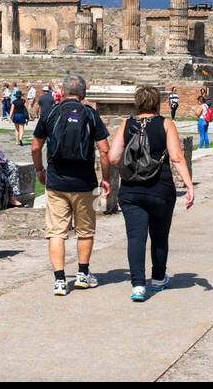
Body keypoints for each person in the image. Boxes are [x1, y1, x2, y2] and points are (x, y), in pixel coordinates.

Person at [108, 85, 194, 302]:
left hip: (131, 190)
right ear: (158, 103)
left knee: (135, 238)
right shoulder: (166, 124)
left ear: (137, 104)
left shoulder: (126, 124)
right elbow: (176, 157)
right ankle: (157, 278)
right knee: (159, 236)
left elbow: (113, 158)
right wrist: (189, 185)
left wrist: (132, 164)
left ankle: (138, 285)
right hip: (160, 189)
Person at [32, 74, 111, 295]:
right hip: (85, 183)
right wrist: (105, 178)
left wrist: (40, 170)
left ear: (62, 92)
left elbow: (35, 147)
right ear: (84, 93)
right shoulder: (90, 114)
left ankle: (59, 280)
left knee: (56, 232)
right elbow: (104, 151)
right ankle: (82, 274)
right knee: (85, 231)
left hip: (56, 181)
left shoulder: (50, 114)